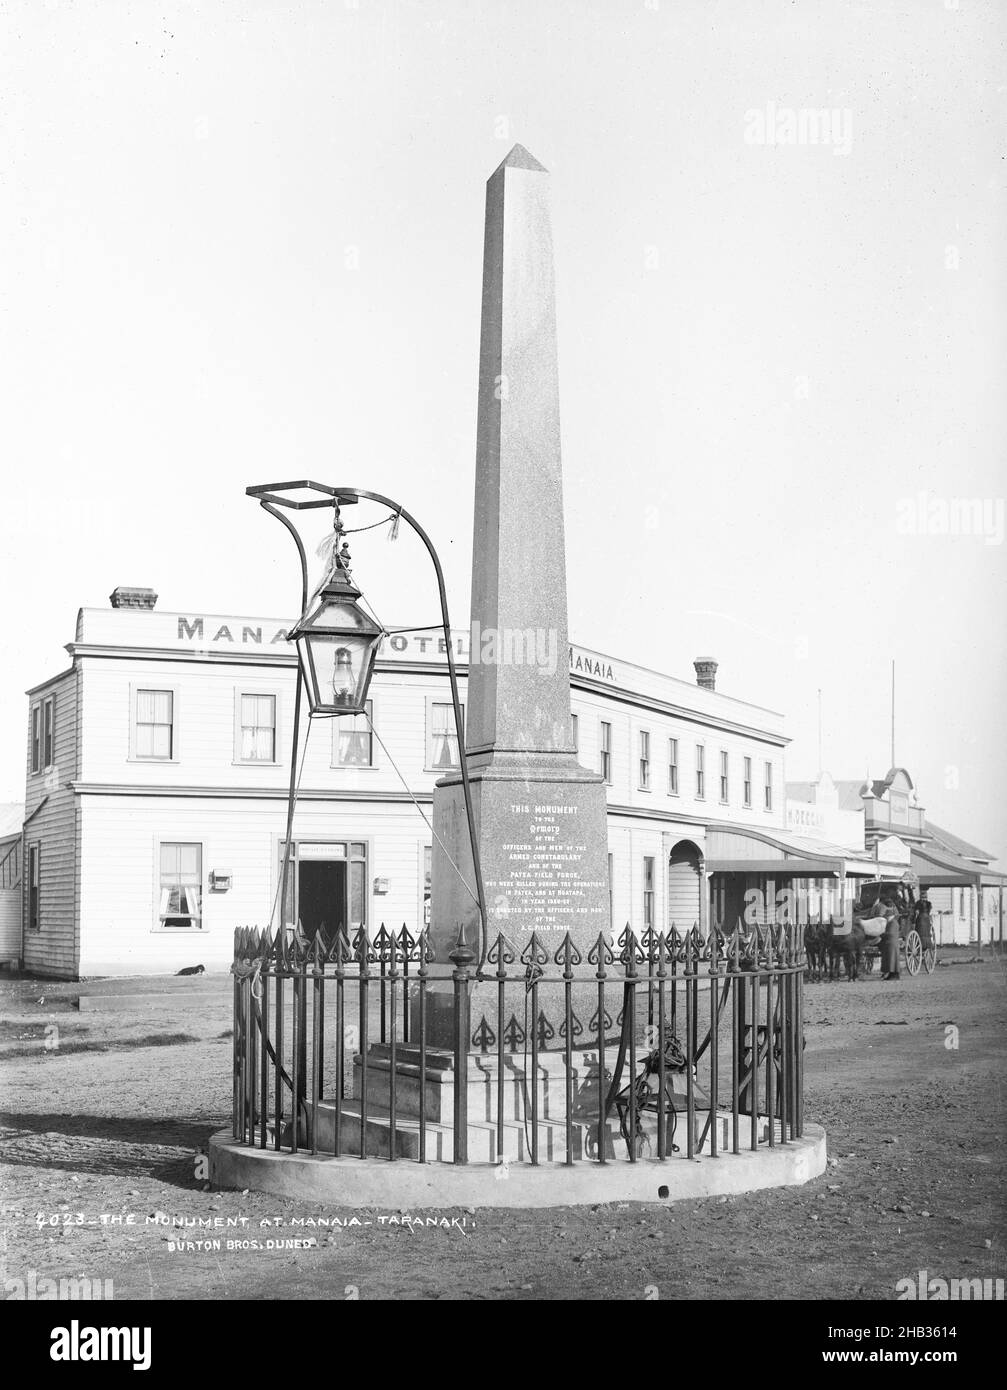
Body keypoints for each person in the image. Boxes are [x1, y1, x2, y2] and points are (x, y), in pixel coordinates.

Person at [880, 897, 901, 979]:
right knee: (890, 960)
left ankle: (894, 975)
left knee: (892, 960)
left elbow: (891, 934)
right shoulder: (891, 922)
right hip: (889, 944)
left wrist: (882, 934)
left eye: (887, 917)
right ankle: (891, 974)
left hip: (892, 944)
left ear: (890, 916)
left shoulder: (893, 923)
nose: (886, 918)